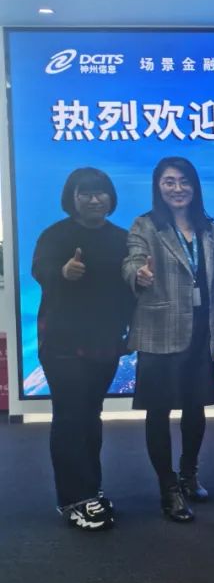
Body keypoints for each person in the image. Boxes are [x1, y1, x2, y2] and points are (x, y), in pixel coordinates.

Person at [122, 156, 214, 523]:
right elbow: (132, 261)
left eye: (184, 181)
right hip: (161, 331)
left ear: (195, 186)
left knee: (195, 408)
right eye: (169, 181)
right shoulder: (146, 225)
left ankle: (189, 473)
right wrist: (138, 275)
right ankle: (167, 486)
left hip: (203, 331)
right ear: (158, 186)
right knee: (158, 412)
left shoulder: (212, 231)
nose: (177, 188)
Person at [32, 168, 133, 531]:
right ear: (71, 198)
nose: (94, 199)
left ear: (111, 197)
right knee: (70, 417)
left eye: (100, 192)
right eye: (85, 193)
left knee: (90, 416)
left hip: (104, 343)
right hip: (62, 343)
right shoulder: (55, 235)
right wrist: (64, 271)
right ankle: (74, 498)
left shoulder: (121, 238)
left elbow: (128, 288)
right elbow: (40, 269)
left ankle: (90, 489)